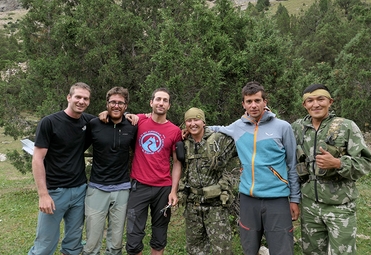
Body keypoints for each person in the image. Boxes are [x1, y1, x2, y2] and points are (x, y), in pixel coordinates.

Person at [208, 81, 300, 255]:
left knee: (282, 250)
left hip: (277, 199)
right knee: (249, 249)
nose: (253, 105)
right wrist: (189, 129)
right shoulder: (237, 127)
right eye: (249, 101)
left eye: (257, 100)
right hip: (248, 199)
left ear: (265, 102)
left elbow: (292, 165)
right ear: (243, 104)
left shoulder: (283, 127)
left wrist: (294, 199)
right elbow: (215, 129)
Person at [291, 83, 371, 255]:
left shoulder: (346, 127)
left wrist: (338, 164)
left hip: (339, 206)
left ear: (330, 101)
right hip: (309, 205)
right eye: (310, 101)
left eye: (321, 99)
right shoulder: (297, 128)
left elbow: (366, 162)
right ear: (304, 105)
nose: (316, 104)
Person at [28, 82, 95, 255]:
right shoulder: (49, 122)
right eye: (78, 97)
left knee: (73, 244)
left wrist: (139, 116)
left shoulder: (88, 121)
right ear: (69, 97)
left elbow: (109, 117)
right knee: (45, 244)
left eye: (85, 98)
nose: (81, 101)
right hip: (55, 192)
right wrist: (43, 195)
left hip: (80, 190)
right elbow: (37, 159)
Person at [124, 88, 182, 255]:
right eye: (158, 99)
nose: (161, 103)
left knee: (159, 235)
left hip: (163, 189)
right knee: (133, 237)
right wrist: (126, 113)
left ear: (169, 105)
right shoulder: (139, 121)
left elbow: (177, 162)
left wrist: (173, 190)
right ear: (151, 102)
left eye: (165, 100)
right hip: (139, 186)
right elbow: (120, 115)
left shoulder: (174, 131)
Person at [83, 87, 138, 255]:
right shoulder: (94, 124)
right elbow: (78, 147)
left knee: (116, 242)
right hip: (97, 187)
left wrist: (135, 116)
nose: (116, 106)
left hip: (121, 188)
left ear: (126, 105)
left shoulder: (132, 126)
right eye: (113, 102)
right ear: (107, 104)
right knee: (92, 241)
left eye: (120, 103)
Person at [179, 107, 239, 255]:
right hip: (193, 205)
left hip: (216, 206)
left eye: (196, 119)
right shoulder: (184, 143)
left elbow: (244, 137)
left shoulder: (219, 139)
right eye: (189, 120)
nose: (193, 124)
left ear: (204, 122)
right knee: (195, 250)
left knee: (222, 249)